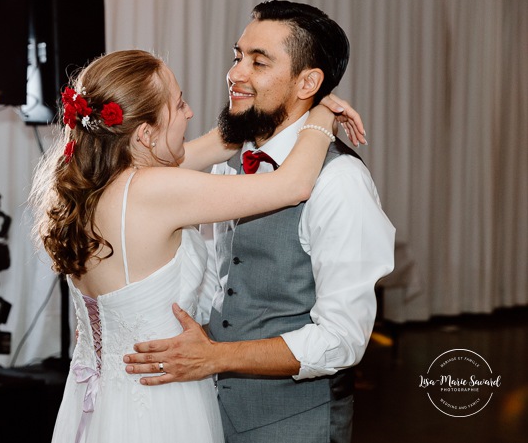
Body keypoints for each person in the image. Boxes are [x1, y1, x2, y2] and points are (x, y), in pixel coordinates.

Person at [29, 48, 365, 443]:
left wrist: (260, 101)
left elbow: (215, 143)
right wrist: (323, 113)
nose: (189, 114)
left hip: (101, 399)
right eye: (179, 104)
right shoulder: (156, 190)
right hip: (160, 405)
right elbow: (293, 186)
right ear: (145, 133)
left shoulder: (91, 184)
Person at [123, 1, 396, 443]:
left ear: (308, 82)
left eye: (258, 61)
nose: (235, 73)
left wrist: (216, 357)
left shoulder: (341, 181)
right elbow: (218, 278)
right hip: (206, 412)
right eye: (237, 56)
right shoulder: (230, 161)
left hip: (294, 424)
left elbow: (343, 339)